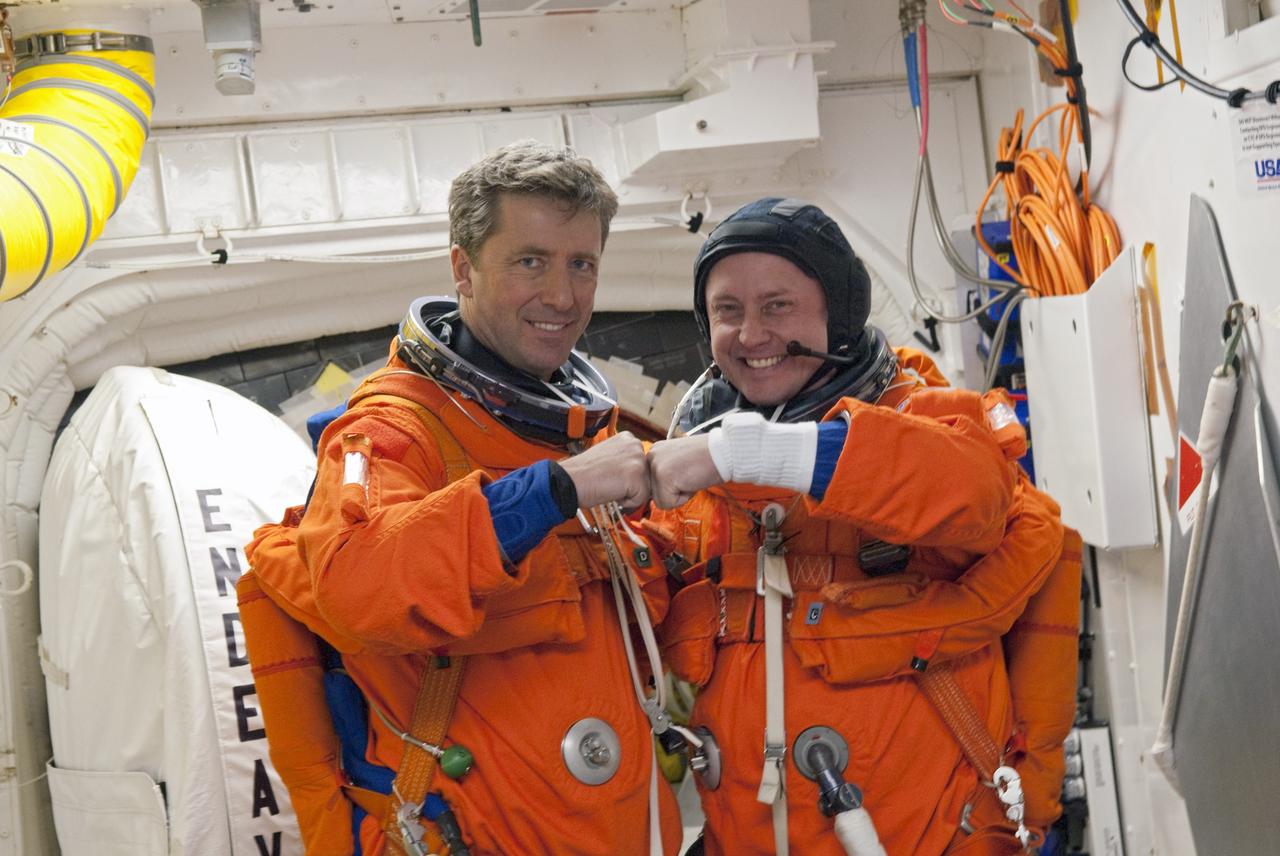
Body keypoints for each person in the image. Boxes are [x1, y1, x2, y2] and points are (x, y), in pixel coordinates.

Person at [245, 142, 681, 855]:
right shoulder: (392, 431)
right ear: (463, 269)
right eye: (530, 261)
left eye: (582, 265)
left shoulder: (584, 437)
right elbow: (361, 584)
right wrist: (553, 492)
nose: (563, 297)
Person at [644, 198, 1078, 855]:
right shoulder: (699, 493)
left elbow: (973, 498)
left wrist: (749, 453)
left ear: (838, 315)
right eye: (727, 311)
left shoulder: (927, 422)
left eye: (778, 306)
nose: (751, 333)